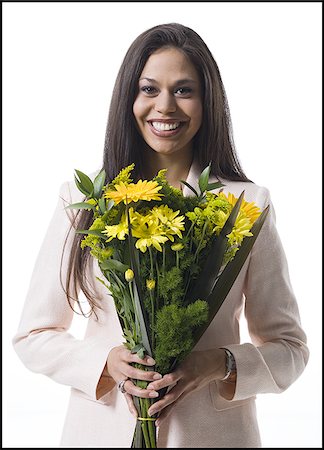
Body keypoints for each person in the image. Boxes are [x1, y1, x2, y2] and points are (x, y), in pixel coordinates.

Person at [13, 23, 309, 448]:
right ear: (128, 99)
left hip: (213, 436)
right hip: (101, 434)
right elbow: (33, 336)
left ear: (208, 102)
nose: (165, 107)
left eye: (184, 90)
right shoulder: (86, 200)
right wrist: (106, 362)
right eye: (149, 89)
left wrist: (218, 363)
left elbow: (290, 349)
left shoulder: (246, 206)